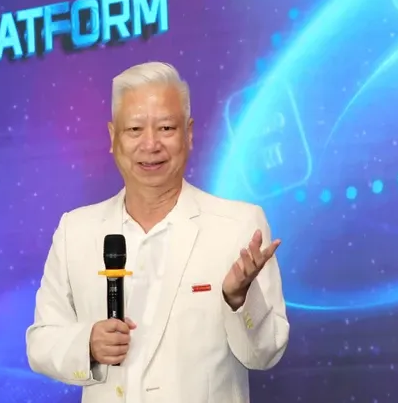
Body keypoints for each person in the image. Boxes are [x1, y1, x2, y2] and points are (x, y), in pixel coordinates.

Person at [25, 62, 289, 403]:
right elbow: (41, 342)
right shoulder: (75, 231)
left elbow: (266, 353)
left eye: (166, 128)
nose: (150, 144)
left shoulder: (238, 226)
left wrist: (239, 300)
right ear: (113, 137)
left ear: (189, 134)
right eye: (134, 129)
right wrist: (87, 344)